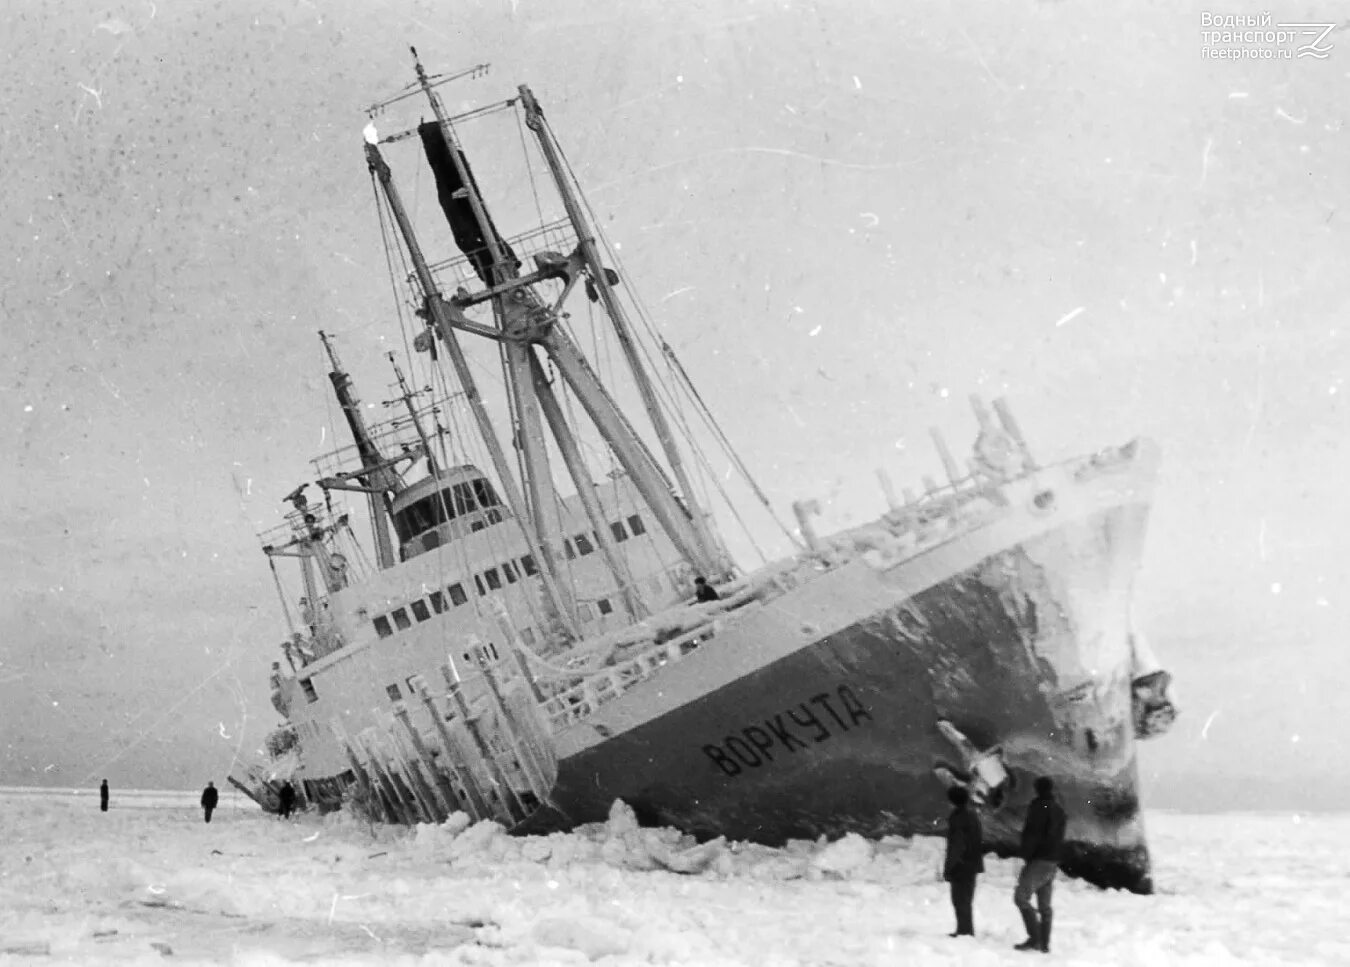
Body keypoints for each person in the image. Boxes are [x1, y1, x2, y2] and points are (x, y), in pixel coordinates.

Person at [1013, 776, 1067, 953]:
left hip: (1039, 860)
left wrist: (1023, 855)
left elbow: (1032, 834)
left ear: (1036, 789)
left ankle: (1035, 938)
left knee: (1021, 897)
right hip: (1053, 861)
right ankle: (1044, 944)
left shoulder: (1038, 808)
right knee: (1044, 906)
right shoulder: (1059, 810)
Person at [943, 785, 984, 938]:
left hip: (961, 865)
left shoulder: (958, 818)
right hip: (972, 864)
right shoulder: (972, 815)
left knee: (959, 899)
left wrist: (949, 868)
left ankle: (964, 932)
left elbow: (956, 846)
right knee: (965, 899)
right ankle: (965, 930)